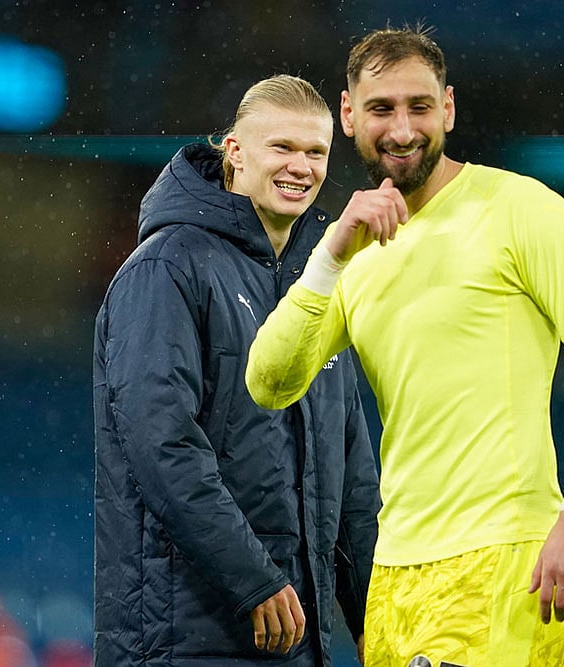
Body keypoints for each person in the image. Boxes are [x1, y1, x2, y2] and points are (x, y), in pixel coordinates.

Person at [245, 27, 564, 666]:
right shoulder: (355, 253)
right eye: (381, 109)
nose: (402, 129)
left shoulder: (521, 210)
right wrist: (328, 255)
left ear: (449, 109)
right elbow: (268, 381)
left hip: (504, 560)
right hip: (396, 575)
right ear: (349, 116)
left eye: (419, 107)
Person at [93, 74, 380, 666]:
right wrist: (254, 579)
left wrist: (381, 624)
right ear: (234, 151)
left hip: (296, 638)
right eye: (281, 147)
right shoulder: (167, 268)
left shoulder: (322, 287)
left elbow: (351, 474)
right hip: (185, 639)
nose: (300, 166)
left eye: (316, 152)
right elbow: (161, 441)